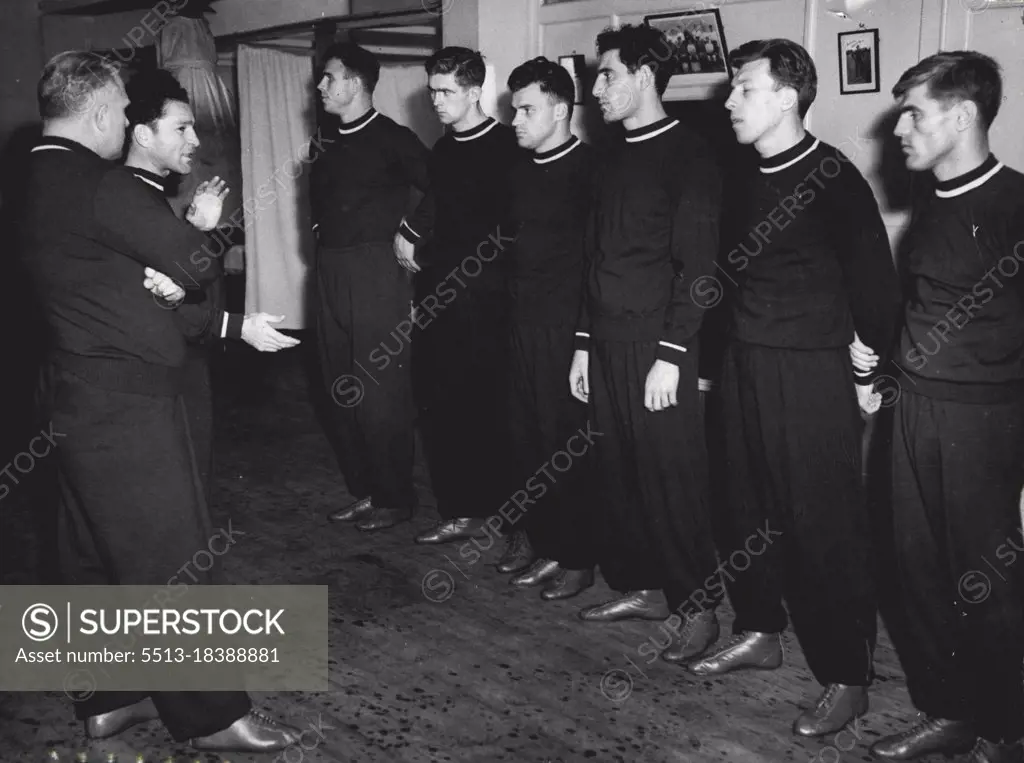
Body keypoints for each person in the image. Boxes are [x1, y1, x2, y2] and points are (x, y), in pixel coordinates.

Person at [21, 51, 298, 754]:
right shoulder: (97, 183)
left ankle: (110, 700)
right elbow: (198, 263)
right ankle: (212, 717)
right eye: (118, 112)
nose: (122, 123)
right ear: (96, 114)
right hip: (127, 404)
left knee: (87, 555)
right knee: (173, 557)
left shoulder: (26, 176)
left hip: (69, 394)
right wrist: (201, 231)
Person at [684, 38, 901, 738]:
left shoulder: (834, 178)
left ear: (786, 97)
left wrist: (873, 375)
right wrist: (712, 360)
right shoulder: (738, 174)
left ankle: (847, 677)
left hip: (811, 373)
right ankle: (759, 629)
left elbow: (876, 289)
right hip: (745, 365)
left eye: (743, 89)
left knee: (824, 528)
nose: (730, 100)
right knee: (741, 506)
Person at [852, 51, 1024, 763]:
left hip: (985, 425)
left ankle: (1009, 727)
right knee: (915, 572)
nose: (901, 131)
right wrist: (882, 361)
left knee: (987, 581)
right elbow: (930, 305)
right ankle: (949, 709)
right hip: (914, 412)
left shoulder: (1016, 204)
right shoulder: (929, 202)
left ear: (962, 116)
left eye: (915, 113)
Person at [567, 24, 722, 631]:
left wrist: (671, 352)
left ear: (643, 75)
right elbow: (593, 259)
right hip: (604, 341)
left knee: (669, 479)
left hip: (658, 345)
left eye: (606, 75)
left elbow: (702, 270)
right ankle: (644, 586)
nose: (597, 89)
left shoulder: (690, 154)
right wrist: (582, 344)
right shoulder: (608, 158)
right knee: (620, 473)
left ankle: (698, 608)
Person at [124, 67, 299, 504]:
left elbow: (179, 276)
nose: (195, 140)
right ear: (143, 135)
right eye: (182, 128)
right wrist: (201, 234)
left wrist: (196, 227)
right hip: (153, 370)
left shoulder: (147, 195)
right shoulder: (126, 198)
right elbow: (172, 289)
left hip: (175, 360)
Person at [393, 47, 520, 545]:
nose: (437, 102)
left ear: (474, 92)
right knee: (440, 404)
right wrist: (411, 236)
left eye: (447, 92)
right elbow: (437, 211)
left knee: (492, 409)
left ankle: (510, 519)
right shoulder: (443, 150)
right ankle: (460, 510)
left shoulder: (509, 147)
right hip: (437, 301)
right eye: (433, 92)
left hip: (488, 305)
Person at [310, 42, 428, 532]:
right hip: (329, 272)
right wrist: (321, 235)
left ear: (355, 84)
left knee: (378, 391)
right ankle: (367, 490)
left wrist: (411, 231)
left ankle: (395, 497)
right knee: (337, 386)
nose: (321, 86)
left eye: (329, 78)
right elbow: (319, 200)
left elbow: (445, 188)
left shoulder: (394, 139)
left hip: (377, 273)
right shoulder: (327, 140)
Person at [498, 56, 597, 599]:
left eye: (527, 109)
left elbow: (595, 268)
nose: (516, 120)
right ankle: (546, 545)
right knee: (526, 441)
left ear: (561, 110)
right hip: (521, 327)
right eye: (514, 109)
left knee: (567, 446)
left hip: (567, 333)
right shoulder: (518, 172)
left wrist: (583, 340)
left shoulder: (590, 172)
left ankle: (578, 558)